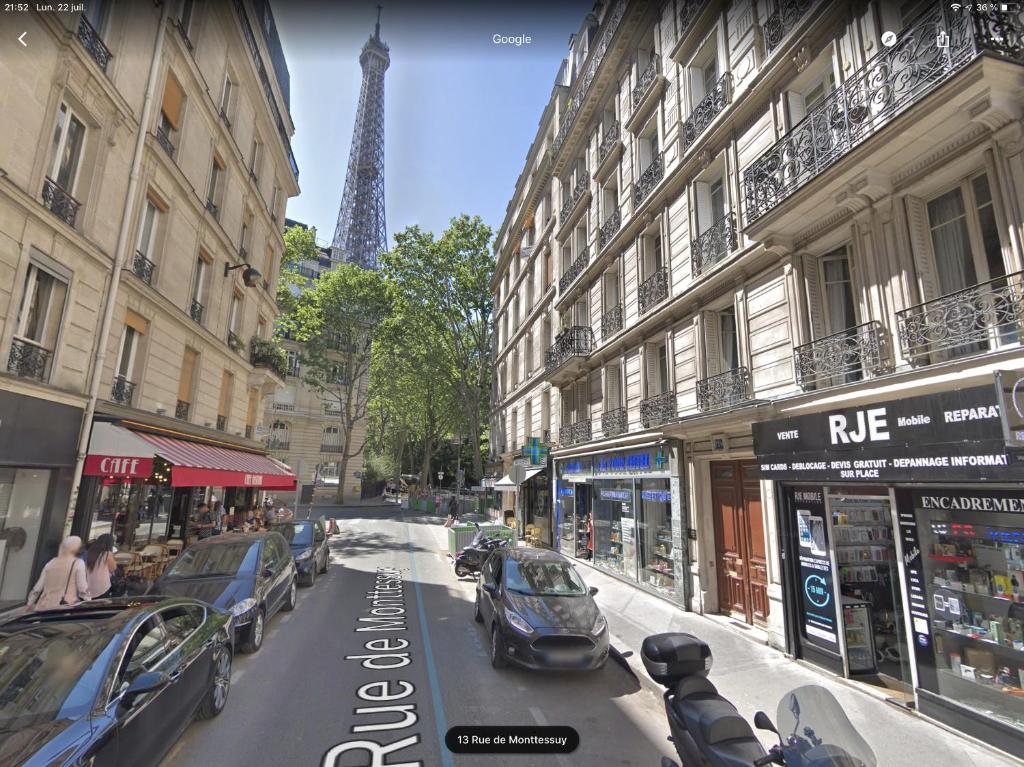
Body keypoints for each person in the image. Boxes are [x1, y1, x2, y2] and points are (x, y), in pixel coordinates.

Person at [27, 536, 90, 610]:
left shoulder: (51, 563)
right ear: (77, 549)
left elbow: (37, 588)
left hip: (44, 606)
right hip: (64, 606)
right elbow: (83, 589)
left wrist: (29, 603)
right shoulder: (78, 563)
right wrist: (89, 602)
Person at [84, 534, 118, 598]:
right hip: (102, 588)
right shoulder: (107, 554)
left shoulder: (90, 552)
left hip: (88, 587)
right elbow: (113, 568)